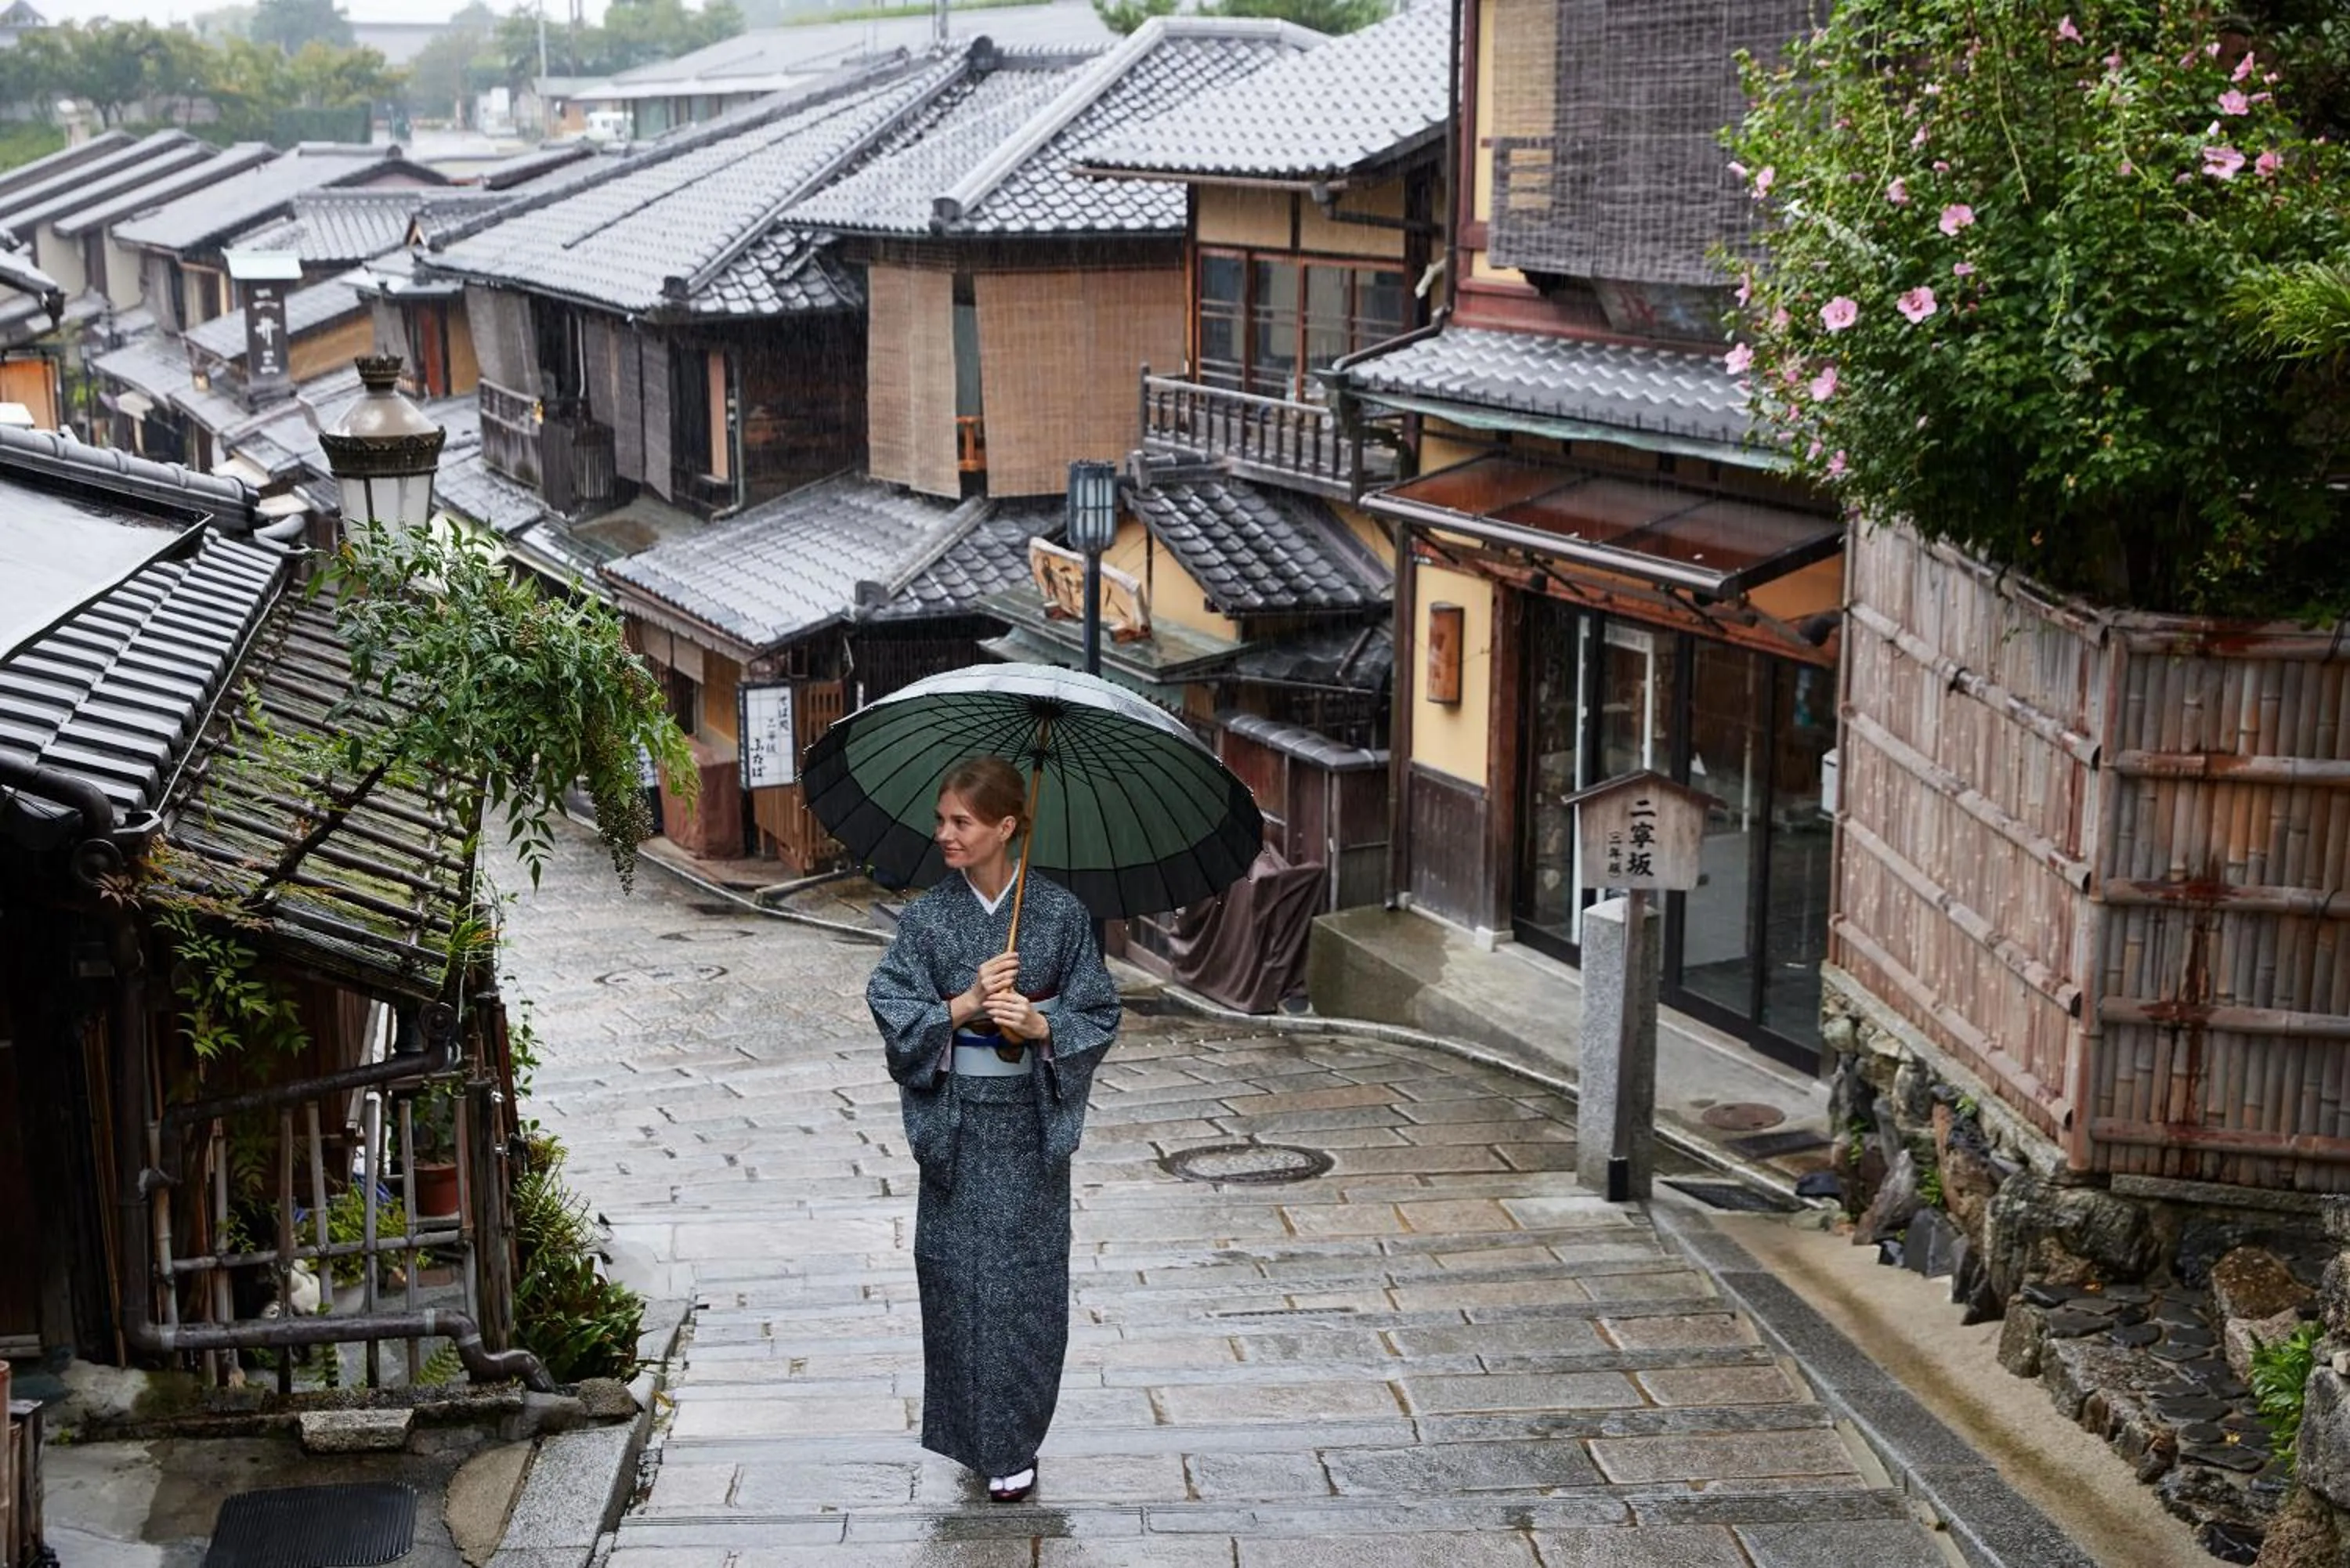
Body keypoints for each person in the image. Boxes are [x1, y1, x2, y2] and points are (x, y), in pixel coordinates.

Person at [865, 754, 1120, 1504]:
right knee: (953, 1285)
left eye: (962, 822)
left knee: (1023, 1293)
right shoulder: (926, 920)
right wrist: (965, 1004)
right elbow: (893, 1007)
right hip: (954, 1132)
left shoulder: (1060, 915)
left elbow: (1099, 1010)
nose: (945, 834)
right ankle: (974, 1438)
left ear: (1007, 826)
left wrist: (1042, 1026)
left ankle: (1014, 1443)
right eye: (941, 820)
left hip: (1029, 1132)